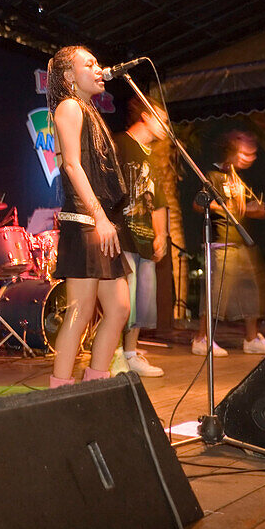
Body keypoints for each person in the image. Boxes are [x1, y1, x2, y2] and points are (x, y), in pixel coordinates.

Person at [47, 46, 130, 387]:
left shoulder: (87, 110)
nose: (99, 69)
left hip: (99, 221)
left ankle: (96, 382)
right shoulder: (69, 106)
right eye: (90, 64)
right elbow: (71, 164)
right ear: (69, 77)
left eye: (98, 63)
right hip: (85, 221)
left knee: (119, 308)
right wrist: (99, 216)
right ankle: (60, 389)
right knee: (80, 309)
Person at [191, 130, 265, 357]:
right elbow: (199, 204)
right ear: (232, 152)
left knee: (251, 292)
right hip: (221, 243)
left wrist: (253, 210)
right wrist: (227, 209)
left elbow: (241, 210)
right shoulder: (214, 175)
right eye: (246, 153)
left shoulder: (237, 179)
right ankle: (201, 339)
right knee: (216, 293)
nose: (250, 158)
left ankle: (251, 339)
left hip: (240, 244)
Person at [108, 96, 169, 377]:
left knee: (142, 303)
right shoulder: (119, 143)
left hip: (145, 238)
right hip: (122, 234)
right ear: (145, 115)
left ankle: (131, 354)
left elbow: (158, 199)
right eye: (162, 119)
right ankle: (111, 356)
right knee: (122, 302)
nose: (166, 126)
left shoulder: (153, 156)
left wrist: (162, 234)